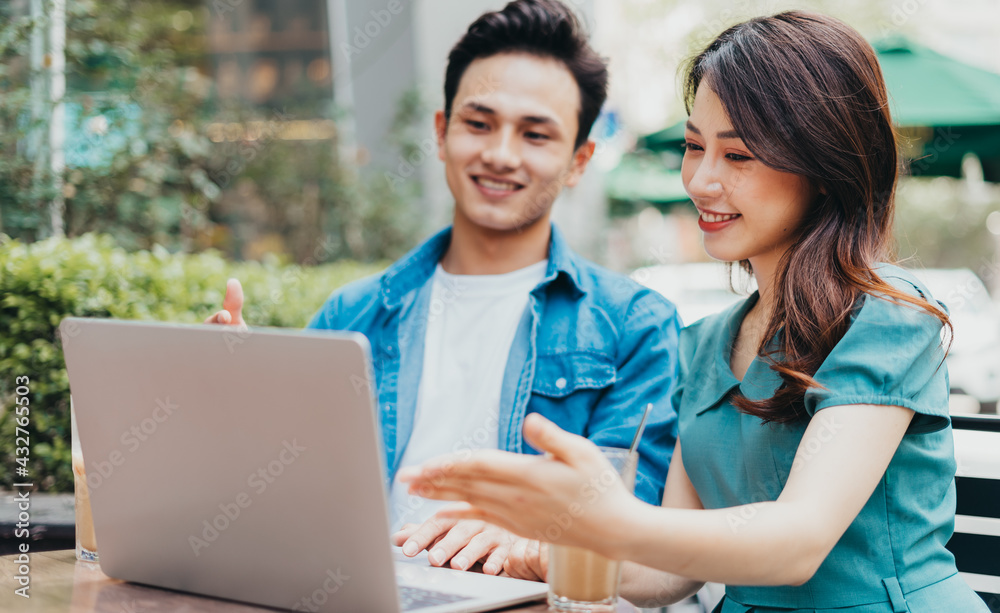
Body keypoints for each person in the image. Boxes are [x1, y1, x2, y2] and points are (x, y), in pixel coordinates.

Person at [399, 10, 991, 611]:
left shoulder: (888, 317)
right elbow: (666, 576)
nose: (701, 181)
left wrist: (609, 518)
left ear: (823, 165)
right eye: (693, 146)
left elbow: (797, 542)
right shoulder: (707, 342)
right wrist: (539, 546)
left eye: (738, 156)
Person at [204, 0, 681, 581]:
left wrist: (529, 536)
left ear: (579, 161)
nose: (499, 154)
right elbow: (285, 495)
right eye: (478, 124)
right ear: (441, 131)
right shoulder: (353, 313)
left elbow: (639, 522)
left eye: (535, 134)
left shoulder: (635, 326)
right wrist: (235, 406)